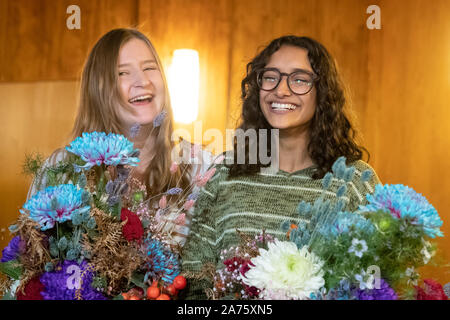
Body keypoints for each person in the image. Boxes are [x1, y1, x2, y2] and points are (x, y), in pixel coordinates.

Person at [181, 35, 381, 299]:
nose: (281, 90)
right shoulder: (226, 173)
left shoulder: (355, 181)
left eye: (299, 79)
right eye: (270, 76)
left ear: (322, 93)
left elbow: (375, 282)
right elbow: (194, 283)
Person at [27, 28, 213, 247]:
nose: (143, 81)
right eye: (122, 73)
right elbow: (31, 263)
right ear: (98, 90)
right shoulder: (62, 169)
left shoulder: (201, 166)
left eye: (149, 68)